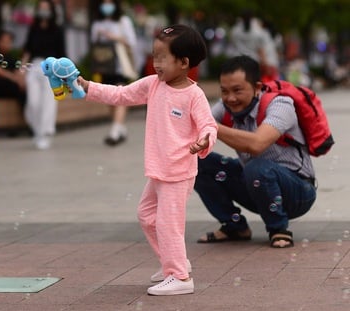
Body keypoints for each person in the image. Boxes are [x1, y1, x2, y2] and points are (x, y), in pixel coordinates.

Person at [77, 24, 217, 295]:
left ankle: (181, 277)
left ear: (184, 62)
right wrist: (88, 87)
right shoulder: (153, 85)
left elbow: (209, 126)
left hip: (178, 172)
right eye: (154, 56)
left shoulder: (193, 95)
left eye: (162, 57)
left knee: (168, 224)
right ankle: (173, 263)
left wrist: (204, 141)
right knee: (146, 215)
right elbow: (120, 95)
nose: (156, 63)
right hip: (159, 170)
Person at [195, 55, 317, 249]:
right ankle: (234, 226)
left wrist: (211, 127)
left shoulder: (280, 104)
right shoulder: (225, 105)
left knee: (257, 166)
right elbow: (197, 128)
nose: (230, 98)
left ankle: (279, 229)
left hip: (298, 191)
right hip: (257, 184)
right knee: (198, 161)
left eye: (237, 90)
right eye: (224, 91)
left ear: (257, 87)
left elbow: (257, 145)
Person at [90, 0, 138, 146]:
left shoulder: (123, 21)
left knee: (121, 94)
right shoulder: (97, 23)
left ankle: (115, 129)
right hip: (104, 65)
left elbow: (132, 41)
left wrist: (113, 37)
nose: (107, 6)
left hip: (119, 65)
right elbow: (94, 42)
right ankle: (120, 127)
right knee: (110, 98)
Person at [21, 0, 66, 150]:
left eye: (46, 8)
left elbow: (62, 54)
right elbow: (27, 51)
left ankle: (45, 133)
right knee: (33, 102)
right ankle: (37, 130)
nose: (43, 11)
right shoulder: (33, 29)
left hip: (51, 68)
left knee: (48, 102)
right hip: (34, 67)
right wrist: (22, 70)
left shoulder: (58, 30)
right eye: (41, 8)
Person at [229, 11, 279, 82]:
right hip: (253, 62)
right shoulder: (258, 32)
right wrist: (265, 63)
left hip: (238, 61)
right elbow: (260, 49)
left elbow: (232, 44)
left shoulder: (235, 31)